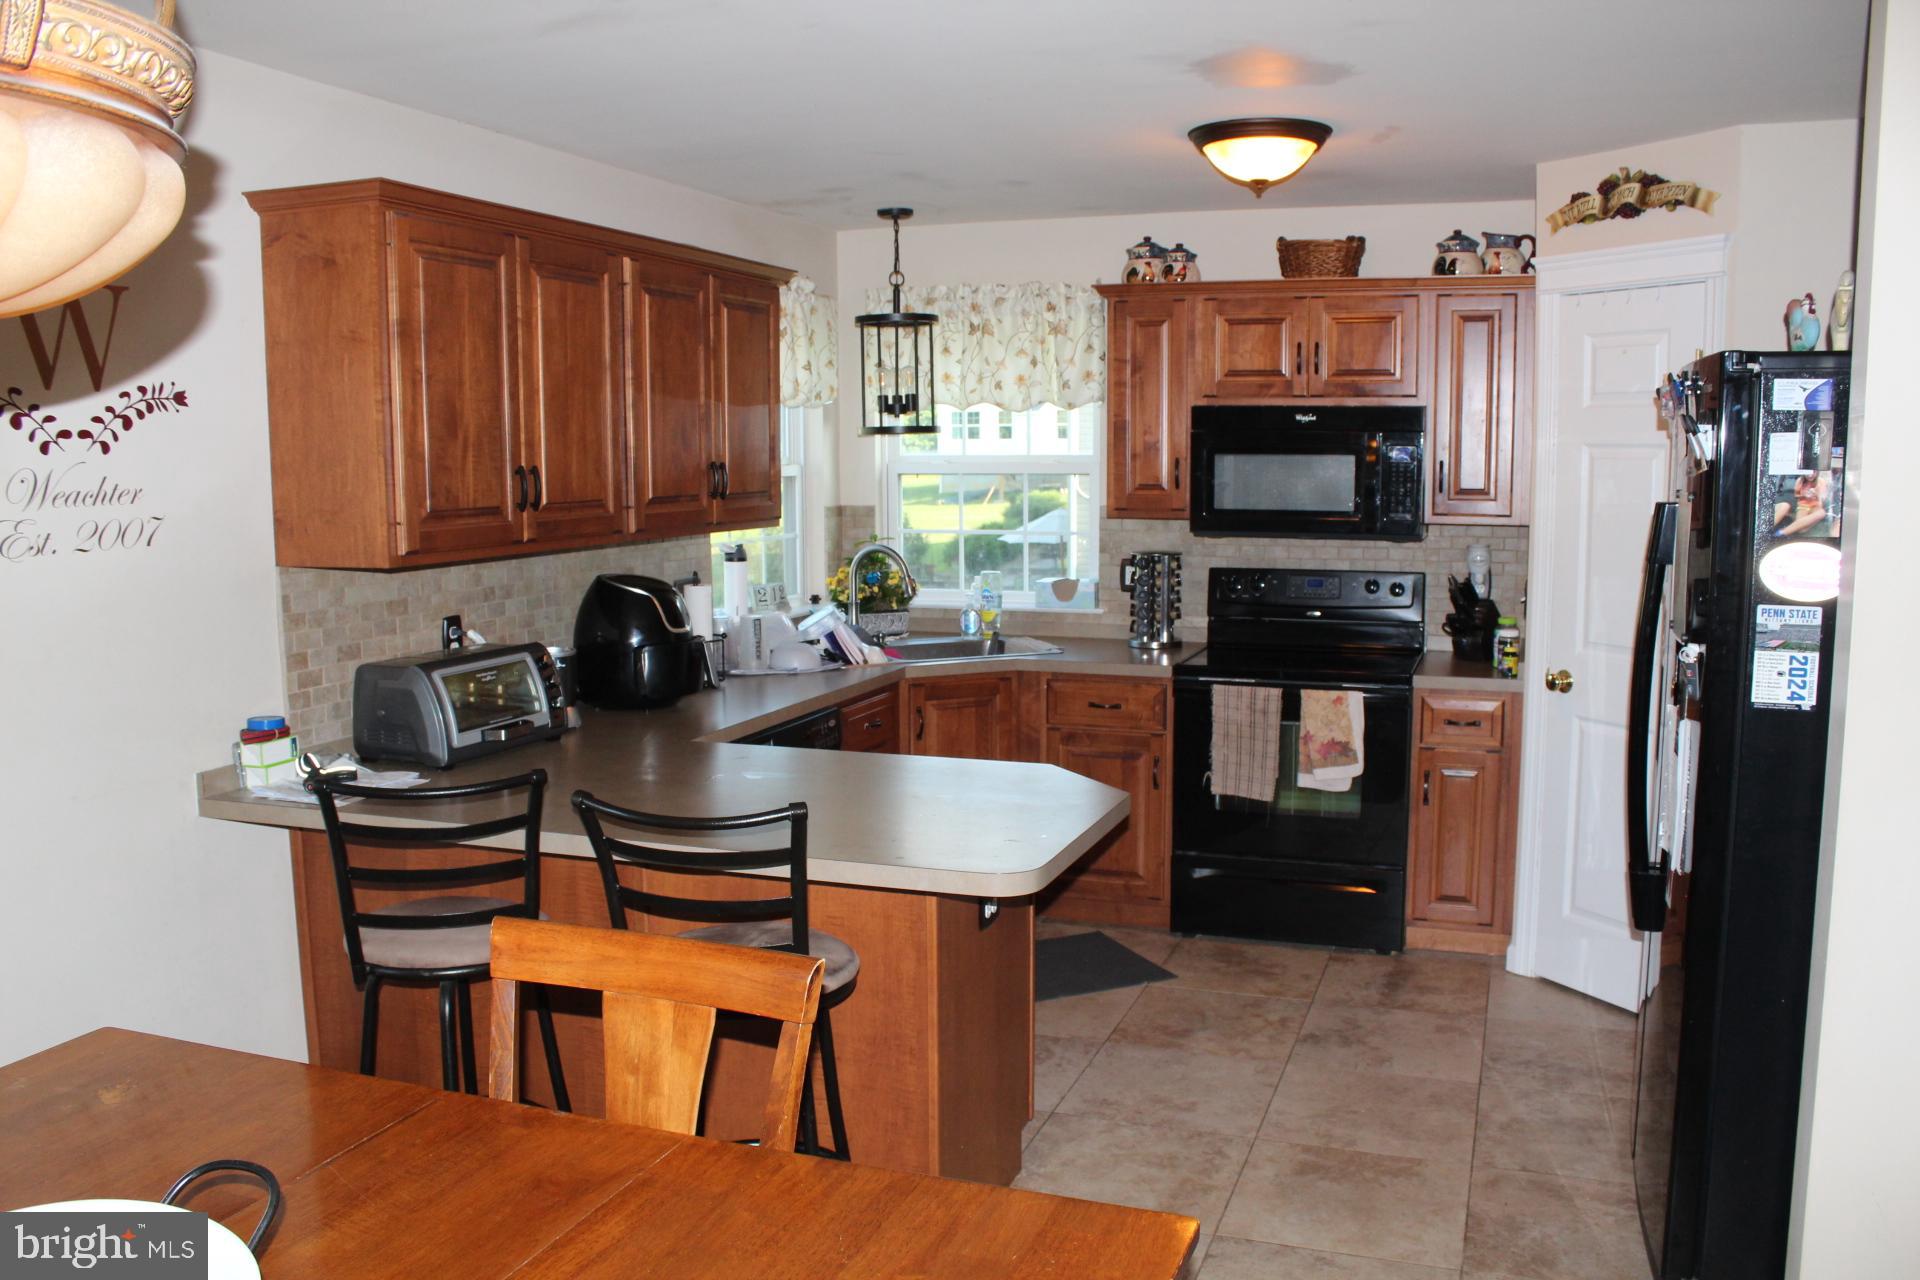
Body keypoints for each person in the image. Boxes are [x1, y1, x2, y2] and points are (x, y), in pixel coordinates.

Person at [1773, 473, 1834, 537]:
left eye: (1813, 473)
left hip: (1815, 505)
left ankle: (1782, 532)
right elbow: (1796, 494)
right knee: (1802, 529)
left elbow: (1822, 499)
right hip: (1803, 505)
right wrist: (1804, 494)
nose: (1810, 475)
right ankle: (1780, 533)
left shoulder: (1821, 481)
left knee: (1821, 513)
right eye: (1808, 473)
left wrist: (1816, 493)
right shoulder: (1800, 480)